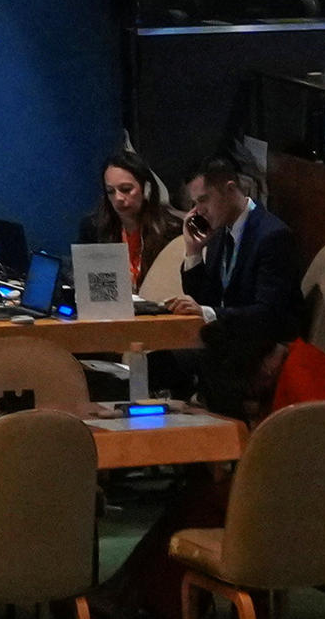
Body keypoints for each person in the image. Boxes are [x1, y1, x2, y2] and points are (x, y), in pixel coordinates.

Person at [172, 160, 304, 417]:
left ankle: (225, 446)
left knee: (191, 362)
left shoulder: (272, 235)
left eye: (204, 200)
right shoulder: (222, 232)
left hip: (259, 346)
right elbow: (207, 298)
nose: (199, 211)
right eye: (195, 204)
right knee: (162, 359)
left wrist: (208, 313)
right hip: (229, 341)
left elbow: (268, 314)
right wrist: (194, 252)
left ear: (230, 189)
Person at [79, 148, 188, 302]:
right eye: (110, 191)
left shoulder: (171, 230)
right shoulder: (94, 228)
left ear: (146, 188)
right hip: (112, 313)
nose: (118, 198)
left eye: (126, 190)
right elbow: (93, 291)